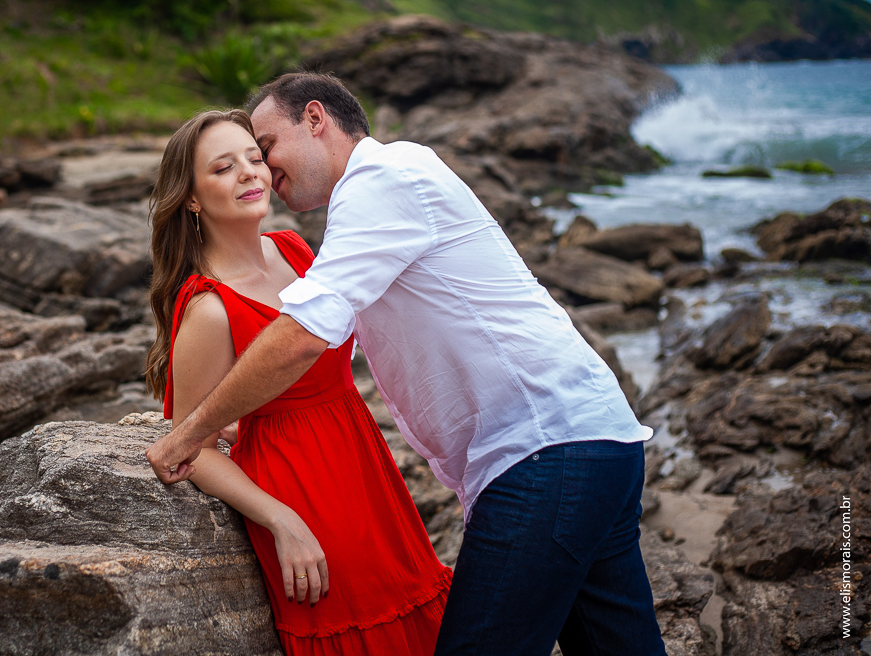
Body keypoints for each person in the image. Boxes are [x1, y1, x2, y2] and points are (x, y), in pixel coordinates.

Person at [146, 73, 667, 656]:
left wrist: (188, 433)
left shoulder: (378, 185)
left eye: (263, 149)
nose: (262, 169)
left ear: (315, 120)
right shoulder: (392, 176)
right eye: (233, 163)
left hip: (544, 453)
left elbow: (303, 335)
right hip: (593, 441)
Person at [146, 107, 452, 655]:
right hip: (299, 488)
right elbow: (194, 446)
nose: (249, 173)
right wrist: (280, 520)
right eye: (223, 168)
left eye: (255, 158)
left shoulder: (294, 249)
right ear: (190, 198)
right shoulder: (208, 307)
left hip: (365, 466)